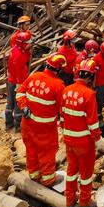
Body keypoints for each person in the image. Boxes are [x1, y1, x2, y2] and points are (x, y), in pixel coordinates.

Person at [16, 54, 66, 187]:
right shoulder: (58, 85)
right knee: (47, 152)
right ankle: (48, 180)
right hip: (45, 128)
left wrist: (24, 106)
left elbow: (20, 92)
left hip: (27, 125)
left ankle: (34, 176)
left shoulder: (33, 77)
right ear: (59, 70)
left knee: (31, 150)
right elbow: (63, 109)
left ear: (46, 65)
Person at [60, 57, 102, 207]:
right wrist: (97, 138)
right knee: (86, 173)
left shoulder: (66, 90)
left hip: (69, 139)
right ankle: (84, 201)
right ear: (91, 76)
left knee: (71, 170)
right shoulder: (89, 94)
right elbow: (92, 122)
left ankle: (70, 200)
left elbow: (62, 116)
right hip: (84, 142)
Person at [4, 16, 33, 129]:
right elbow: (18, 71)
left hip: (14, 76)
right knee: (17, 102)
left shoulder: (16, 49)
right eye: (27, 24)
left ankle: (9, 123)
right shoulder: (16, 43)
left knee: (10, 100)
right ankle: (17, 125)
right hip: (18, 78)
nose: (28, 26)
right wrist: (21, 85)